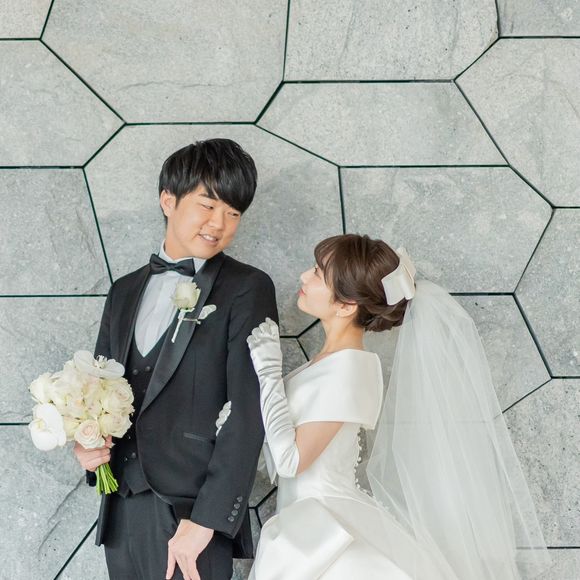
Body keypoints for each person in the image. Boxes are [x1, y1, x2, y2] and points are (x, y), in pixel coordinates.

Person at [246, 234, 552, 580]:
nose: (304, 276)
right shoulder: (328, 362)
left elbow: (291, 462)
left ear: (346, 305)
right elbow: (283, 453)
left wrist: (268, 374)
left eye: (317, 272)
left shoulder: (349, 370)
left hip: (325, 529)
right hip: (307, 522)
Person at [73, 139, 278, 580]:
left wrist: (207, 521)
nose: (219, 223)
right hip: (121, 508)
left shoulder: (247, 288)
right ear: (168, 200)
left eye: (233, 213)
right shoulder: (123, 291)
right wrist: (87, 445)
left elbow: (250, 411)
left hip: (193, 517)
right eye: (208, 205)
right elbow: (96, 389)